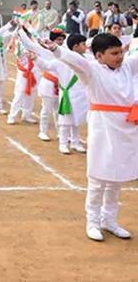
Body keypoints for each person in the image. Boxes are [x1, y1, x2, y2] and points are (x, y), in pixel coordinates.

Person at [44, 33, 138, 241]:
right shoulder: (92, 70)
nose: (120, 57)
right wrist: (56, 50)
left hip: (126, 128)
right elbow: (75, 60)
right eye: (114, 54)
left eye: (121, 52)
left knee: (117, 178)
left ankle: (109, 220)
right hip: (103, 126)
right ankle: (93, 221)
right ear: (99, 56)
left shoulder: (128, 68)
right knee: (98, 177)